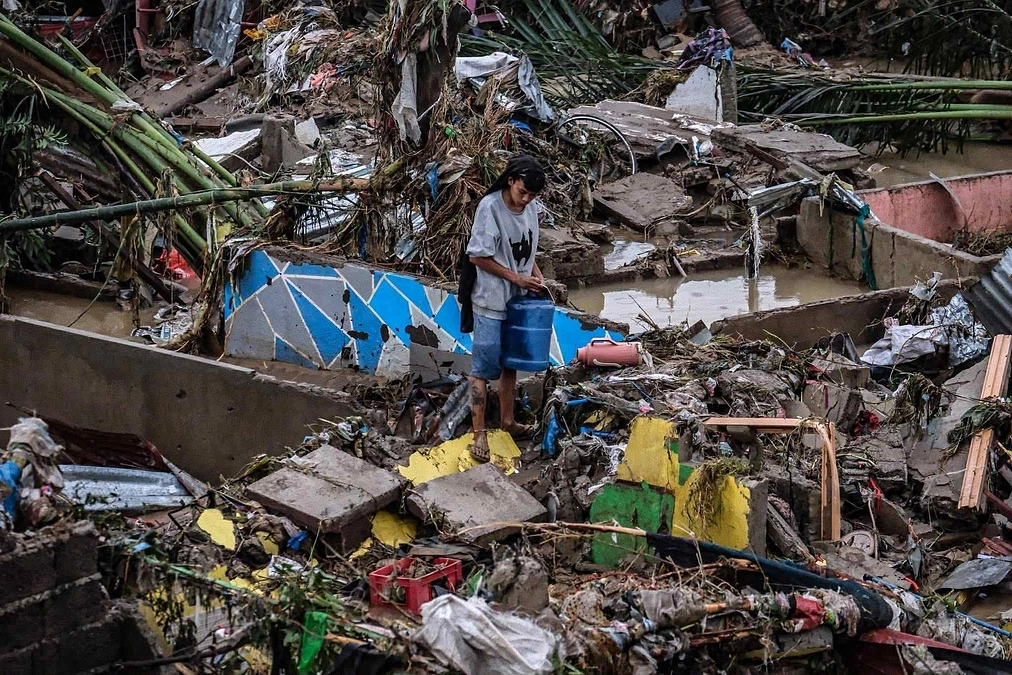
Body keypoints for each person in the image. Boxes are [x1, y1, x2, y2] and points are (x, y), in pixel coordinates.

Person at [459, 155, 547, 461]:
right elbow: (477, 257)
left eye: (532, 195)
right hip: (490, 299)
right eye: (523, 192)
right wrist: (516, 278)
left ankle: (508, 422)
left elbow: (526, 248)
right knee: (483, 369)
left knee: (510, 364)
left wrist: (535, 274)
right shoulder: (490, 208)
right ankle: (479, 432)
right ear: (510, 181)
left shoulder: (530, 207)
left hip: (518, 300)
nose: (526, 199)